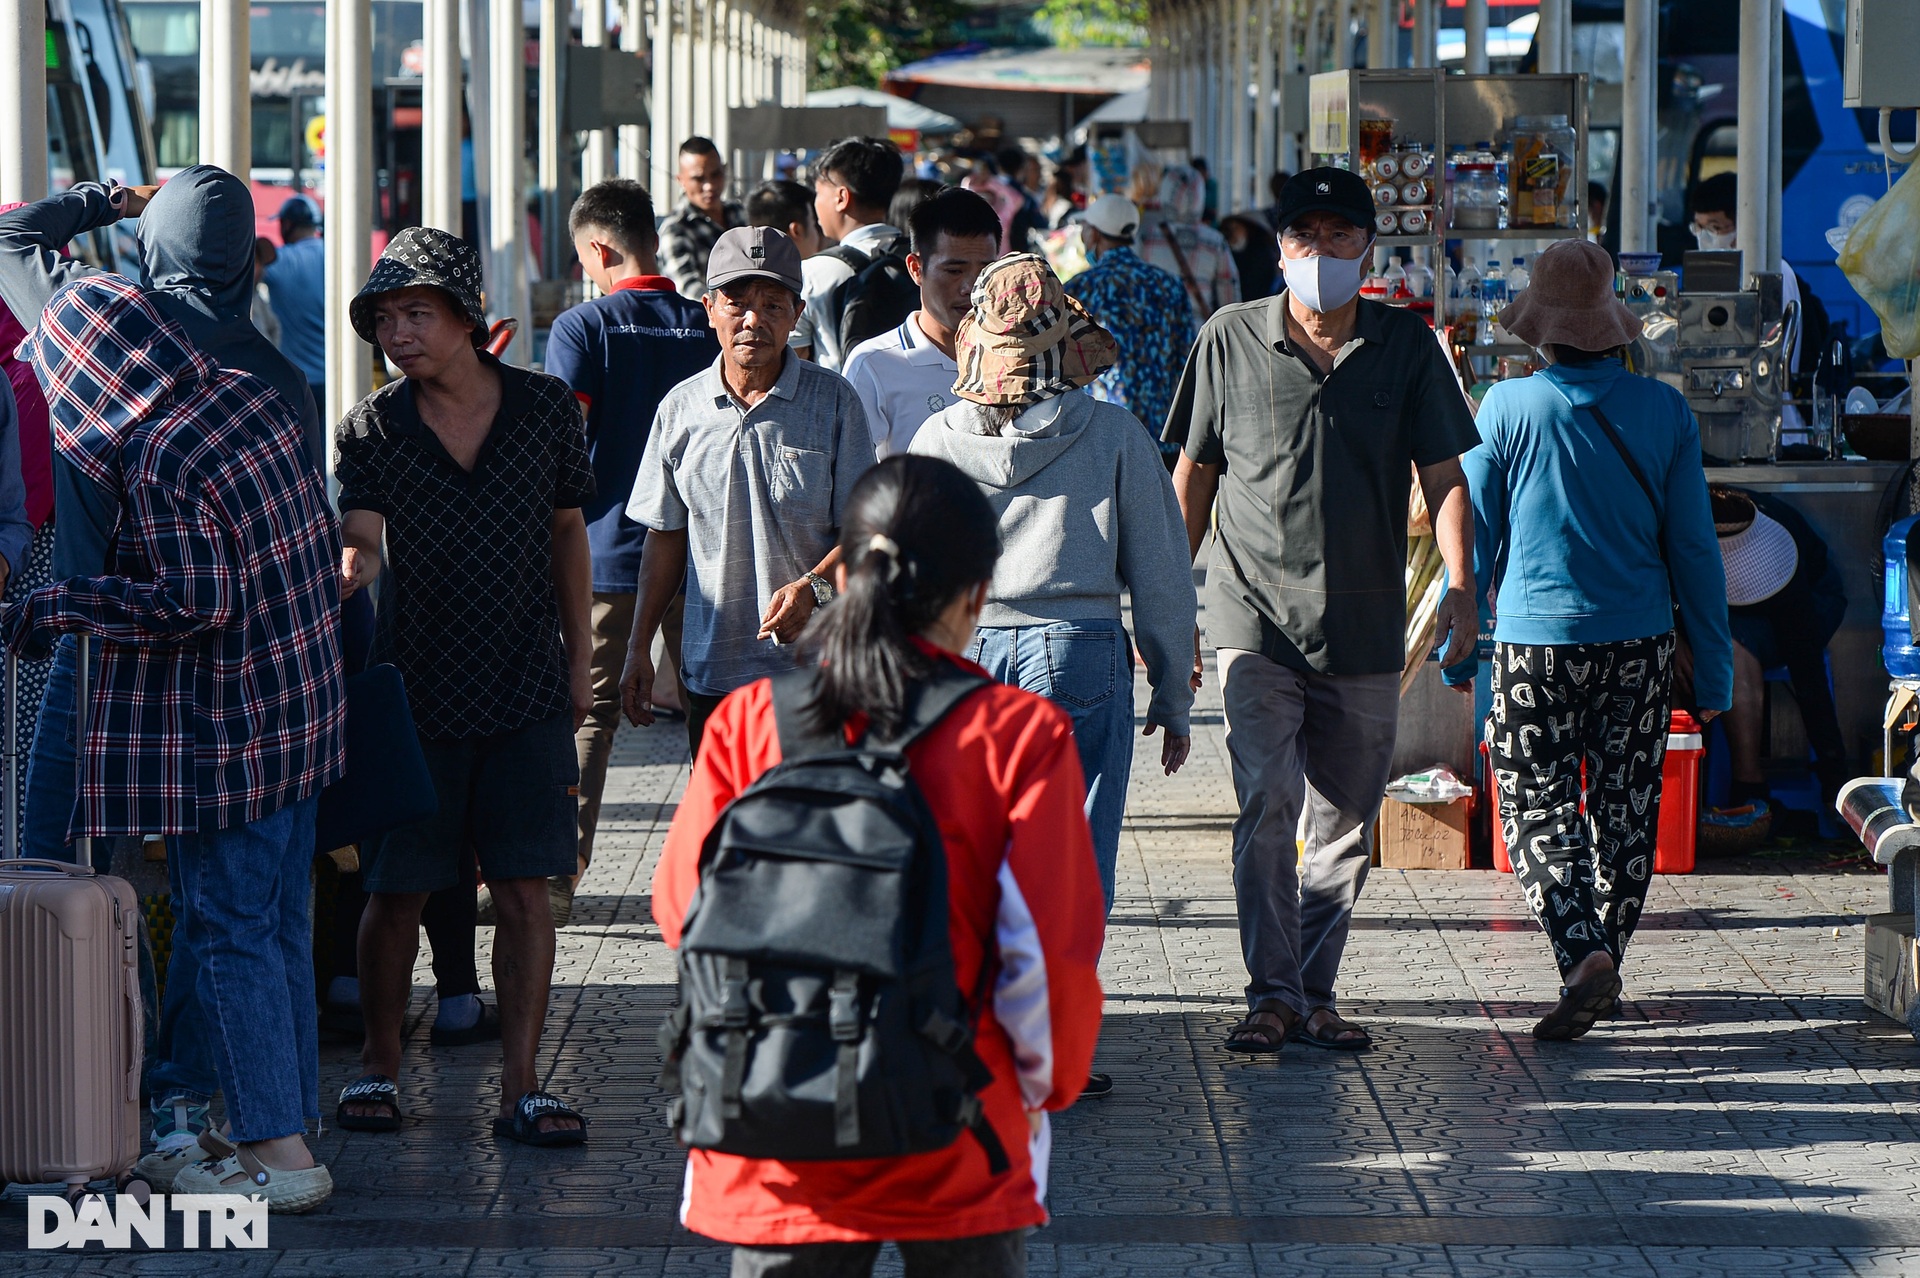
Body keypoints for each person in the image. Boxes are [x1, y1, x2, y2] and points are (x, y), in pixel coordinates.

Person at [652, 454, 1105, 1275]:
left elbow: (685, 910)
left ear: (848, 575)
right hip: (955, 1122)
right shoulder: (1017, 736)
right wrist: (1041, 1090)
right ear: (976, 594)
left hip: (773, 1128)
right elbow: (1050, 953)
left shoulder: (750, 722)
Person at [0, 166, 324, 1179]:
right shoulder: (276, 379)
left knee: (66, 871)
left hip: (99, 650)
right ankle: (204, 1104)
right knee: (241, 910)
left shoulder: (95, 329)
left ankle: (90, 1088)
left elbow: (12, 239)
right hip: (245, 684)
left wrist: (107, 198)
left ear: (152, 255)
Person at [1164, 167, 1479, 1055]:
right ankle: (1271, 992)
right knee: (1266, 802)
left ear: (1370, 249)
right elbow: (1192, 475)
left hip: (1368, 624)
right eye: (1306, 236)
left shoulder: (1406, 346)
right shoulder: (1227, 339)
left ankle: (1314, 989)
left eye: (1343, 236)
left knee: (1344, 822)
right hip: (1251, 618)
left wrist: (1462, 586)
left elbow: (1445, 477)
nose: (1323, 252)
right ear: (1280, 248)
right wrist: (1168, 602)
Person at [332, 228, 593, 1147]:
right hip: (418, 690)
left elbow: (568, 531)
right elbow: (360, 533)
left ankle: (523, 1086)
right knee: (397, 890)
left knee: (525, 892)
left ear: (467, 319)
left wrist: (576, 662)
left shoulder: (547, 409)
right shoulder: (372, 427)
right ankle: (376, 1068)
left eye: (417, 313)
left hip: (523, 684)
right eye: (385, 318)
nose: (397, 333)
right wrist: (345, 569)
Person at [1443, 239, 1732, 1041]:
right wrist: (1714, 670)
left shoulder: (1505, 407)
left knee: (1535, 804)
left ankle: (1581, 956)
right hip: (1639, 644)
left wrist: (1458, 637)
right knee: (1626, 811)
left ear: (1541, 330)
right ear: (1615, 327)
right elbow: (1697, 553)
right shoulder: (1664, 411)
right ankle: (1604, 950)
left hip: (1534, 645)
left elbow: (1474, 534)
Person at [911, 250, 1197, 912]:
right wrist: (1171, 692)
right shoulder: (1116, 434)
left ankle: (979, 999)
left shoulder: (934, 441)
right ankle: (1061, 1005)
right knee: (1074, 847)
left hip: (962, 653)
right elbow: (1162, 573)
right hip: (1081, 651)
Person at [622, 226, 877, 753]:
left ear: (797, 313)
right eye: (737, 303)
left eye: (772, 304)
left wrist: (815, 589)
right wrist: (638, 648)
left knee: (808, 828)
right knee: (722, 829)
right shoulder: (680, 410)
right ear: (709, 308)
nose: (754, 320)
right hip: (712, 676)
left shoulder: (835, 403)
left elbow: (867, 534)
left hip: (817, 676)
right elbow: (665, 538)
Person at [544, 179, 720, 926]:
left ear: (599, 249)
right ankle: (726, 873)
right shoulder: (706, 322)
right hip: (709, 555)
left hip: (607, 552)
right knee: (716, 716)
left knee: (590, 717)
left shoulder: (584, 329)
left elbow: (554, 445)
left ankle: (557, 877)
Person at [1687, 486, 1850, 812]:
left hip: (1807, 597)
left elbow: (1808, 672)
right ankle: (1699, 789)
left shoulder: (1782, 556)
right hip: (1715, 606)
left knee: (1732, 644)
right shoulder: (1685, 519)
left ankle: (1749, 788)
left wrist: (1835, 776)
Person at [842, 186, 1001, 458]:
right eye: (954, 270)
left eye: (986, 271)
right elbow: (850, 475)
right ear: (916, 268)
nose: (972, 288)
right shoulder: (874, 364)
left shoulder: (1014, 355)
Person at [1064, 193, 1198, 455]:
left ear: (1094, 235)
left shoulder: (1080, 289)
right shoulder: (1169, 284)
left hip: (1099, 437)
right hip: (1161, 435)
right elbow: (1186, 361)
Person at [798, 136, 908, 371]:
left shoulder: (813, 272)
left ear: (841, 198)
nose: (816, 204)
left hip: (842, 402)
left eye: (818, 193)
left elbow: (796, 361)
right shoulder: (920, 260)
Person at [1689, 173, 1803, 374]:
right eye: (1698, 228)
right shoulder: (1720, 274)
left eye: (1714, 227)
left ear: (1744, 225)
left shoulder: (1773, 270)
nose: (1704, 237)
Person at [1133, 162, 1240, 326]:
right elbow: (1230, 301)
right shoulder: (1215, 242)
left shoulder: (1145, 238)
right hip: (1200, 336)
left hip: (1156, 332)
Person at [661, 137, 746, 297]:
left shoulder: (739, 212)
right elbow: (687, 289)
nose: (710, 186)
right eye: (698, 179)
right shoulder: (676, 229)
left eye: (716, 175)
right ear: (681, 180)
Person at [264, 194, 327, 396]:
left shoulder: (279, 262)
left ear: (287, 224)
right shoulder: (337, 256)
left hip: (296, 381)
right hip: (336, 378)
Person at [746, 178, 826, 260]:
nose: (821, 235)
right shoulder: (820, 271)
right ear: (796, 231)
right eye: (813, 224)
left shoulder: (739, 267)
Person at [1219, 211, 1280, 301]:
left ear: (1247, 230)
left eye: (1236, 228)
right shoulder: (1227, 253)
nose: (1232, 233)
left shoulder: (1262, 255)